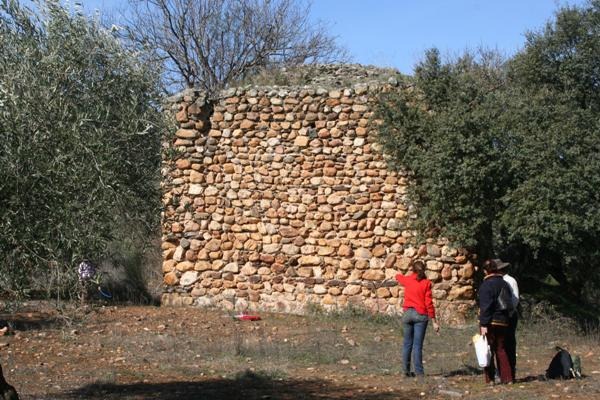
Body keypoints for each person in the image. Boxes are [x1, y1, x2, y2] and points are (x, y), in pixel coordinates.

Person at [396, 260, 440, 378]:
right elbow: (428, 303)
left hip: (407, 313)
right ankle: (419, 373)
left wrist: (400, 271)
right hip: (420, 314)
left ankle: (406, 371)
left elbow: (398, 277)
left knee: (407, 344)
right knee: (417, 345)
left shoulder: (408, 280)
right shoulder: (426, 283)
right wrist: (434, 321)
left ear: (413, 270)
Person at [479, 259, 513, 384]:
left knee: (487, 350)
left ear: (485, 271)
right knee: (501, 349)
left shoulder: (486, 285)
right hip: (503, 321)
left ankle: (490, 379)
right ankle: (507, 378)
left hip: (490, 322)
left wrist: (483, 324)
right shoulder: (505, 283)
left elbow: (486, 307)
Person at [495, 258, 519, 381]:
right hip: (501, 316)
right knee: (500, 345)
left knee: (508, 344)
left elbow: (514, 300)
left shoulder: (510, 281)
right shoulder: (498, 281)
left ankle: (510, 372)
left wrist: (507, 313)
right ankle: (502, 372)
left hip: (509, 316)